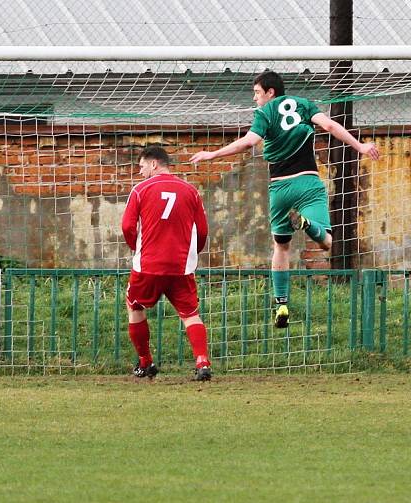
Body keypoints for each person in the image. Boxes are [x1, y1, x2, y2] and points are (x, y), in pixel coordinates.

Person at [190, 70, 380, 328]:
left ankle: (281, 303)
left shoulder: (264, 114)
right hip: (309, 183)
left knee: (281, 246)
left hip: (279, 189)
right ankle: (306, 224)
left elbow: (249, 142)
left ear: (271, 92)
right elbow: (331, 126)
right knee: (326, 242)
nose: (255, 98)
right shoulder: (303, 104)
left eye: (257, 93)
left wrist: (212, 155)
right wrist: (360, 147)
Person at [122, 146, 212, 381]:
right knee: (190, 313)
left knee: (134, 306)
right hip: (181, 265)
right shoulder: (191, 191)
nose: (140, 172)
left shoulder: (140, 190)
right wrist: (194, 253)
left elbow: (127, 227)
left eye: (141, 166)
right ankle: (202, 363)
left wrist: (136, 248)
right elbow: (202, 230)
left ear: (154, 164)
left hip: (148, 265)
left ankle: (145, 362)